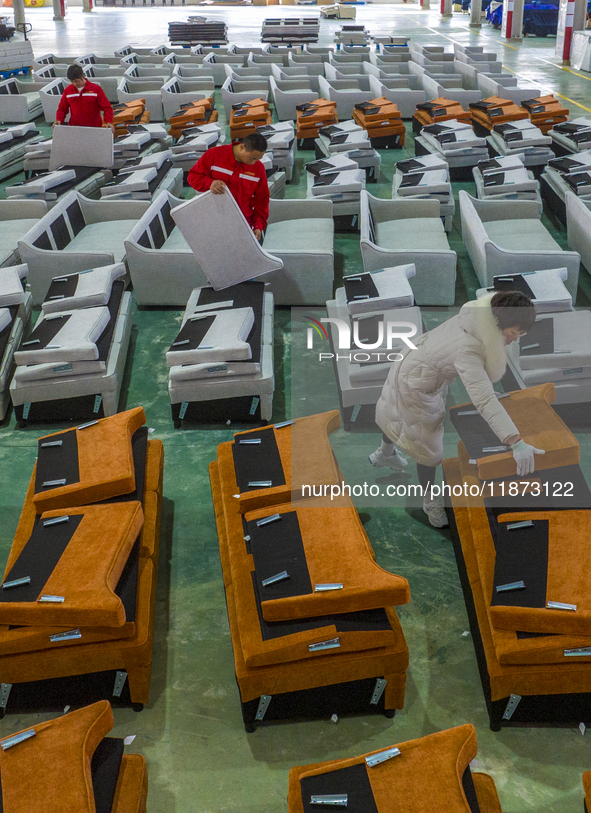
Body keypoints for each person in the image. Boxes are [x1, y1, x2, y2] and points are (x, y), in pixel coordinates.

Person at [369, 290, 543, 528]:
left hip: (411, 361)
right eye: (513, 333)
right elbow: (483, 398)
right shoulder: (468, 348)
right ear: (497, 322)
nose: (515, 339)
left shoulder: (477, 311)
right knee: (429, 451)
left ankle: (384, 454)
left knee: (393, 413)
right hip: (418, 384)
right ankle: (429, 502)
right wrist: (515, 440)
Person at [187, 133, 269, 242]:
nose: (253, 162)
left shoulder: (258, 169)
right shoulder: (215, 155)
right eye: (252, 158)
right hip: (213, 222)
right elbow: (193, 177)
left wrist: (258, 225)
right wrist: (209, 183)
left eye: (258, 159)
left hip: (242, 224)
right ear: (241, 147)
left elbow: (261, 201)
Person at [54, 64, 115, 132]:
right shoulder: (68, 91)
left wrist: (108, 121)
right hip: (74, 129)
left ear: (83, 76)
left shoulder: (96, 89)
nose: (74, 84)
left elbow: (107, 107)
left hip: (94, 129)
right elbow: (62, 108)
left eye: (76, 81)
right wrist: (59, 120)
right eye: (72, 81)